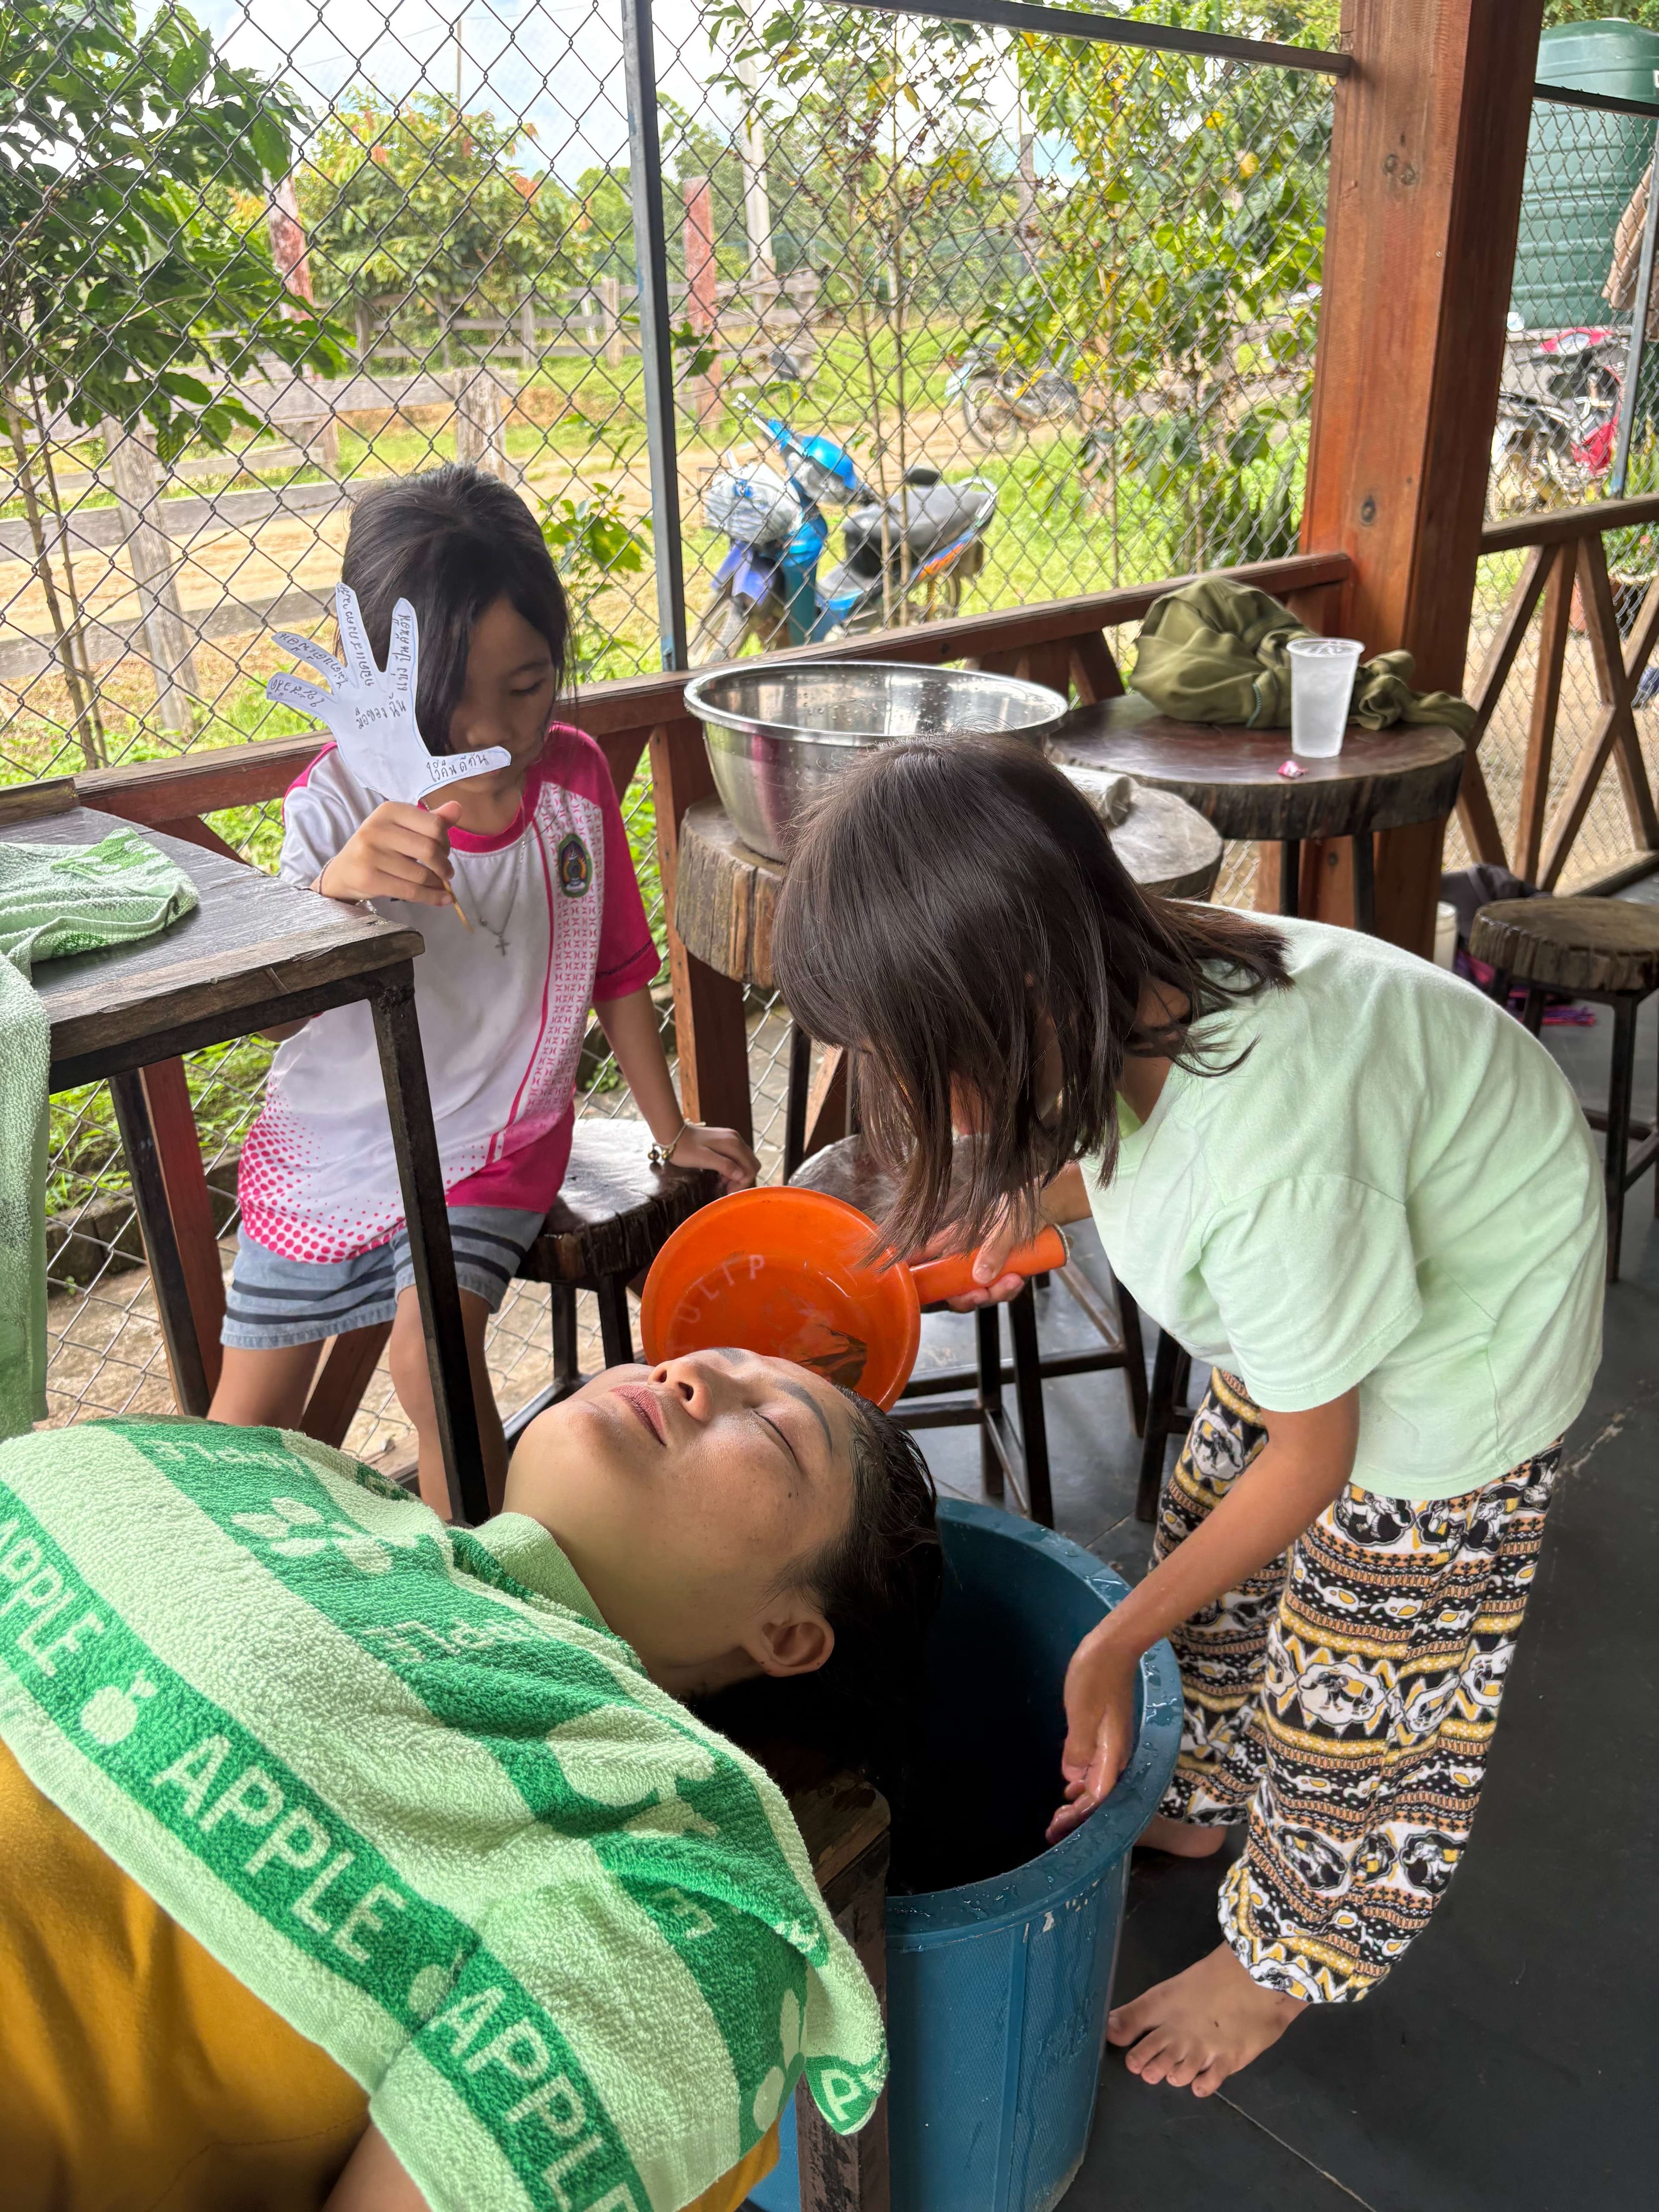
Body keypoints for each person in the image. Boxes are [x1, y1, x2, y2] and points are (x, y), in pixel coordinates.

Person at [771, 736, 1603, 2099]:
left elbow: (1321, 1455)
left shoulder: (1275, 1156)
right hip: (1346, 1273)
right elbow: (1144, 1152)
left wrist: (1109, 1642)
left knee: (1364, 1669)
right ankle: (1202, 1798)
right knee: (1213, 1545)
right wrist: (1031, 1204)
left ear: (1018, 992)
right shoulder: (1118, 980)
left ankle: (1282, 1960)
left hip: (1468, 1339)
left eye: (912, 1056)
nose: (901, 1090)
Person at [0, 1348, 940, 2212]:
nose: (684, 1371)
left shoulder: (679, 1853)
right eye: (679, 1354)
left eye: (773, 1428)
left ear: (786, 1636)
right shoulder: (313, 1485)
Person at [209, 464, 757, 1513]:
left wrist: (673, 1126)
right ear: (389, 683)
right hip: (332, 1140)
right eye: (451, 702)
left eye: (529, 685)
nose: (495, 732)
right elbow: (271, 1011)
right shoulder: (334, 805)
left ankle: (494, 1601)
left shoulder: (579, 776)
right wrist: (334, 897)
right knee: (243, 1428)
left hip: (499, 1134)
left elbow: (617, 969)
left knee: (432, 1362)